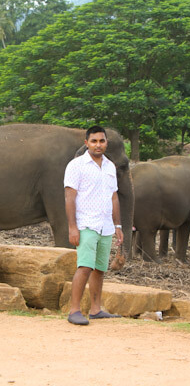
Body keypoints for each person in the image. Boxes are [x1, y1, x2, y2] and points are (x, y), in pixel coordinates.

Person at [64, 125, 124, 325]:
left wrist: (118, 226)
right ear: (86, 143)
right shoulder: (76, 166)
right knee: (85, 267)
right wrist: (73, 227)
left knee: (99, 269)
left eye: (102, 141)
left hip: (105, 226)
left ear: (107, 142)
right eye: (94, 141)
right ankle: (74, 310)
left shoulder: (109, 166)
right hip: (86, 224)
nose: (98, 145)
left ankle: (96, 309)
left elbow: (114, 197)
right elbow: (69, 198)